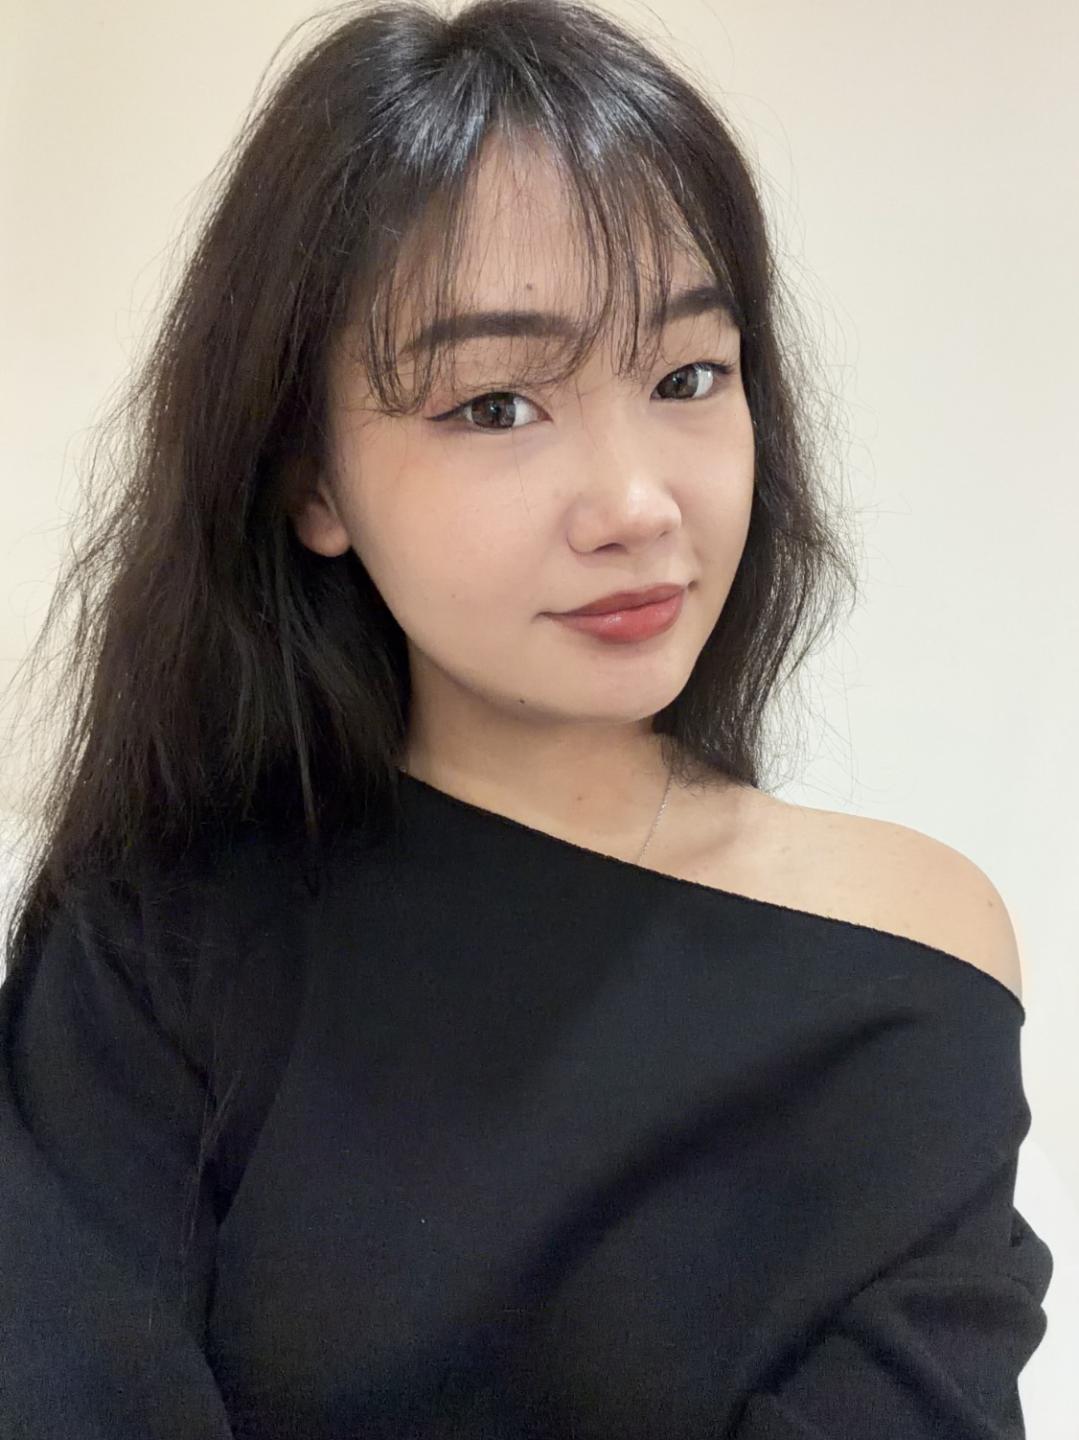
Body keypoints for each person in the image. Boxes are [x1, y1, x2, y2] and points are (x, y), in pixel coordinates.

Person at [0, 0, 1053, 1435]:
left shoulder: (910, 957)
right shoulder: (160, 941)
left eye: (689, 377)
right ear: (311, 479)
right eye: (496, 405)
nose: (636, 504)